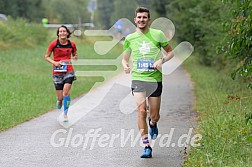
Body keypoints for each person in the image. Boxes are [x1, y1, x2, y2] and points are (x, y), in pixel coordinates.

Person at [122, 7, 174, 158]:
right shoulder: (130, 38)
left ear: (149, 20)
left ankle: (153, 124)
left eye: (144, 17)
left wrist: (161, 60)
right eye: (139, 17)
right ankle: (146, 145)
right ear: (135, 20)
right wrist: (125, 65)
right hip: (138, 79)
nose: (141, 20)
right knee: (141, 111)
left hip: (155, 79)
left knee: (154, 115)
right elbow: (125, 58)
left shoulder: (158, 35)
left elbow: (171, 52)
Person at [45, 25, 78, 122]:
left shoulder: (72, 44)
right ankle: (59, 101)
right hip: (57, 71)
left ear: (67, 33)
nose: (62, 33)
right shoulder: (53, 44)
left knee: (66, 92)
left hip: (69, 70)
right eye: (60, 31)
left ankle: (65, 115)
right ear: (58, 34)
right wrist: (54, 62)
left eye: (64, 31)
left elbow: (74, 54)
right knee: (60, 97)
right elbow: (46, 56)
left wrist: (75, 57)